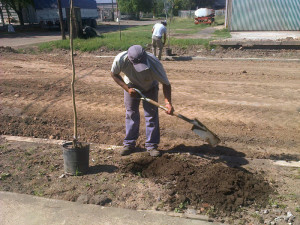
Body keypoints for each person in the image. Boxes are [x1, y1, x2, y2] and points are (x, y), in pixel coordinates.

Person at [111, 45, 174, 157]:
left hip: (150, 87)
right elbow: (114, 74)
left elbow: (166, 83)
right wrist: (127, 89)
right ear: (129, 60)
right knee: (131, 114)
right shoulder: (120, 59)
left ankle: (151, 145)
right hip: (131, 86)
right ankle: (129, 144)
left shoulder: (154, 63)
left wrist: (168, 103)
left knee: (151, 115)